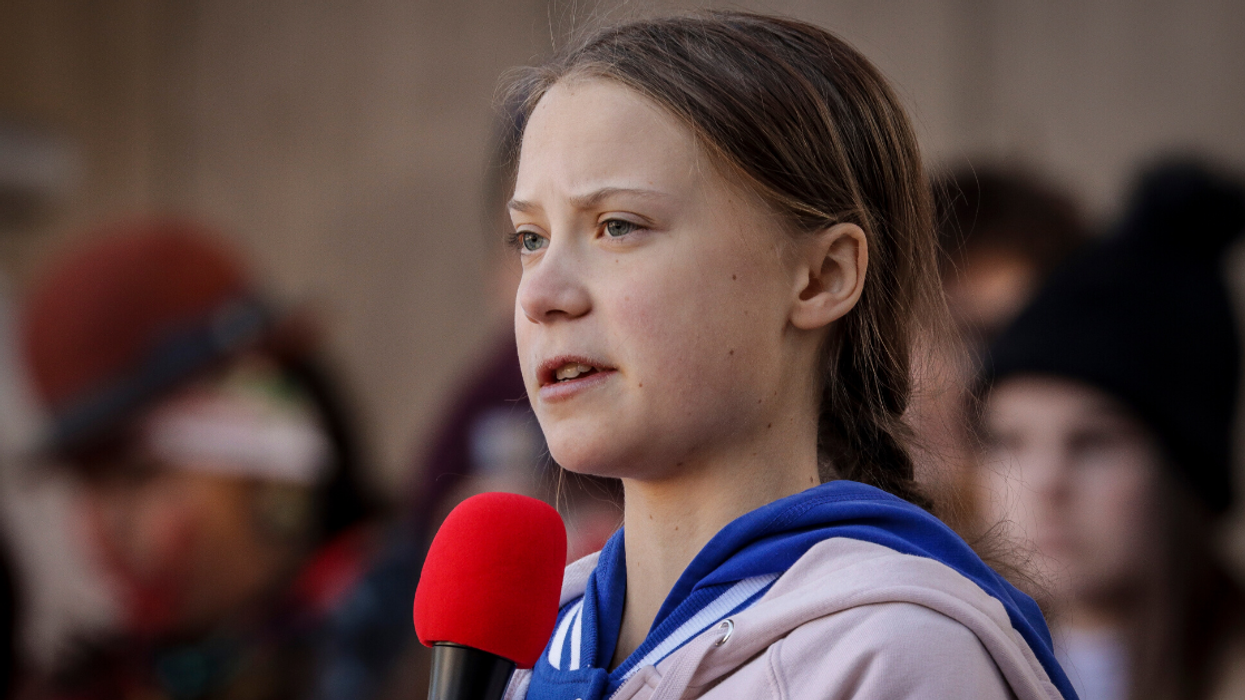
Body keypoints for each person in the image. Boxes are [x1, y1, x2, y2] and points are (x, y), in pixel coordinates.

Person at [495, 11, 1075, 700]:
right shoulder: (532, 648)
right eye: (530, 238)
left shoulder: (899, 655)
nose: (542, 295)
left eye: (617, 226)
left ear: (820, 277)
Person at [17, 220, 379, 700]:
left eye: (141, 475)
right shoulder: (96, 684)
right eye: (90, 487)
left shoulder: (428, 646)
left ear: (278, 473)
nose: (107, 528)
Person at [978, 161, 1245, 700]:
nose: (1046, 483)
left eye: (1094, 442)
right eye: (1008, 441)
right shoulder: (942, 662)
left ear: (1184, 469)